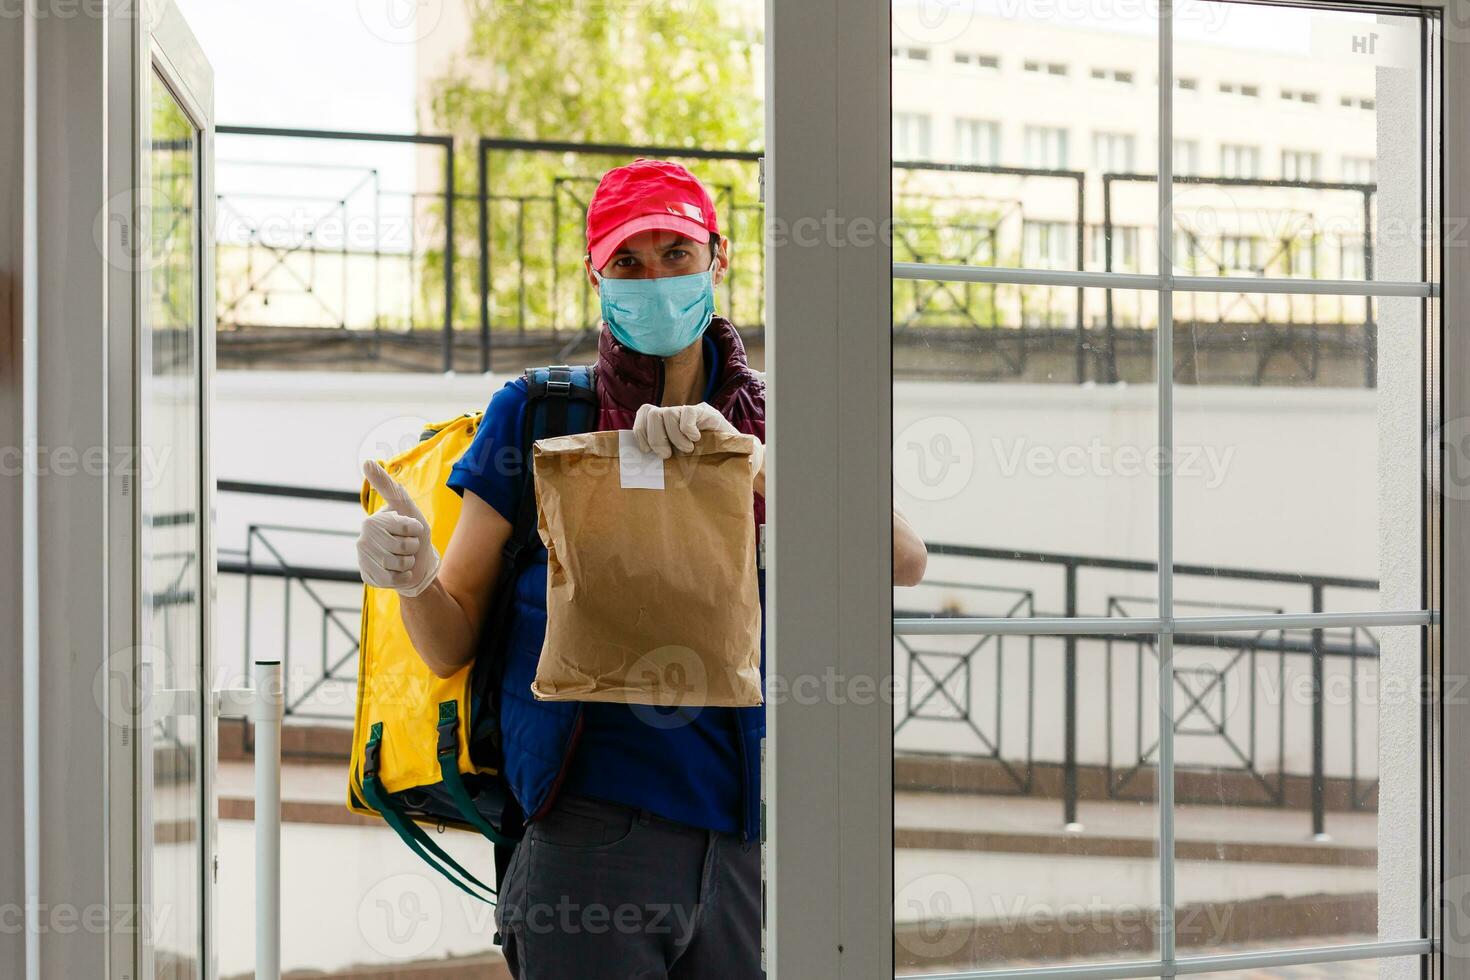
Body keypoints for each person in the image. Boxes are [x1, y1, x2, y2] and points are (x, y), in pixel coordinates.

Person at [356, 159, 927, 979]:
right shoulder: (543, 414)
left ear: (716, 259)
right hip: (588, 839)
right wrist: (409, 579)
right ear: (595, 274)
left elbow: (904, 560)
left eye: (675, 253)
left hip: (746, 846)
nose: (654, 279)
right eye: (628, 260)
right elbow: (448, 643)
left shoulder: (776, 417)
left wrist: (751, 462)